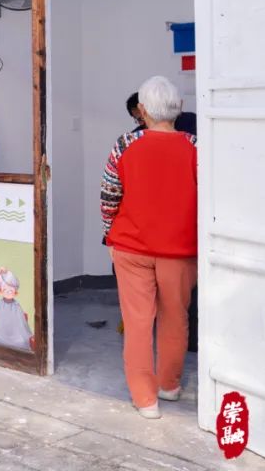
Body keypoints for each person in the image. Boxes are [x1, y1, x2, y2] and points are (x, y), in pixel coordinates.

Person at [102, 76, 197, 420]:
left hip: (131, 247)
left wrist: (109, 235)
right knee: (176, 318)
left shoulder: (124, 145)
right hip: (181, 250)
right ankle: (169, 386)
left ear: (142, 110)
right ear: (179, 108)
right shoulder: (197, 147)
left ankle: (145, 400)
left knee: (138, 323)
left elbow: (109, 196)